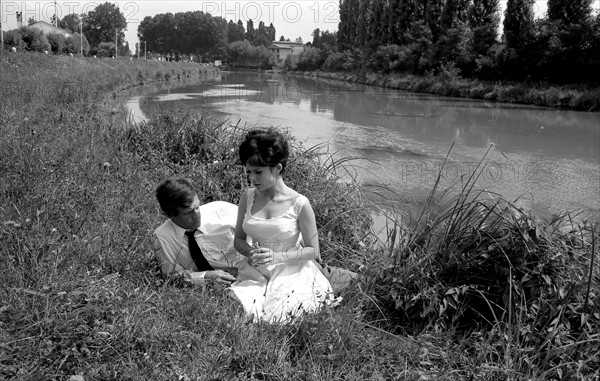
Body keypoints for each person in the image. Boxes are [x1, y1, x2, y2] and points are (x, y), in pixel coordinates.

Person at [232, 128, 335, 323]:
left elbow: (313, 251)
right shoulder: (247, 196)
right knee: (241, 309)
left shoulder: (300, 204)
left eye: (258, 172)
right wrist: (250, 252)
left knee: (278, 318)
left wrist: (276, 257)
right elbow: (238, 240)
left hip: (291, 268)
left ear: (278, 168)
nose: (252, 178)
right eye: (249, 172)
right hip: (256, 268)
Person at [152, 177, 262, 284]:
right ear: (169, 215)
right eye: (188, 212)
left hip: (257, 264)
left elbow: (260, 229)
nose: (197, 215)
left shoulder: (221, 211)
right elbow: (171, 275)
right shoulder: (163, 236)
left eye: (197, 207)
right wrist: (205, 277)